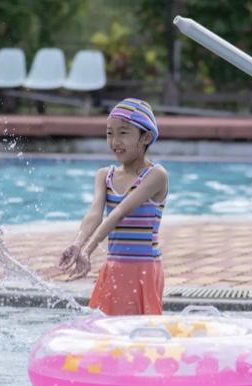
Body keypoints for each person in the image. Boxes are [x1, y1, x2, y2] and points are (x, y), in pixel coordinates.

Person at [58, 98, 169, 315]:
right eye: (110, 133)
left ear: (146, 137)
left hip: (144, 270)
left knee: (140, 334)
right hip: (113, 268)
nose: (115, 141)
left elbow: (119, 213)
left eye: (123, 133)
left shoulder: (156, 176)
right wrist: (77, 244)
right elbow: (94, 214)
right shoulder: (104, 175)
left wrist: (88, 251)